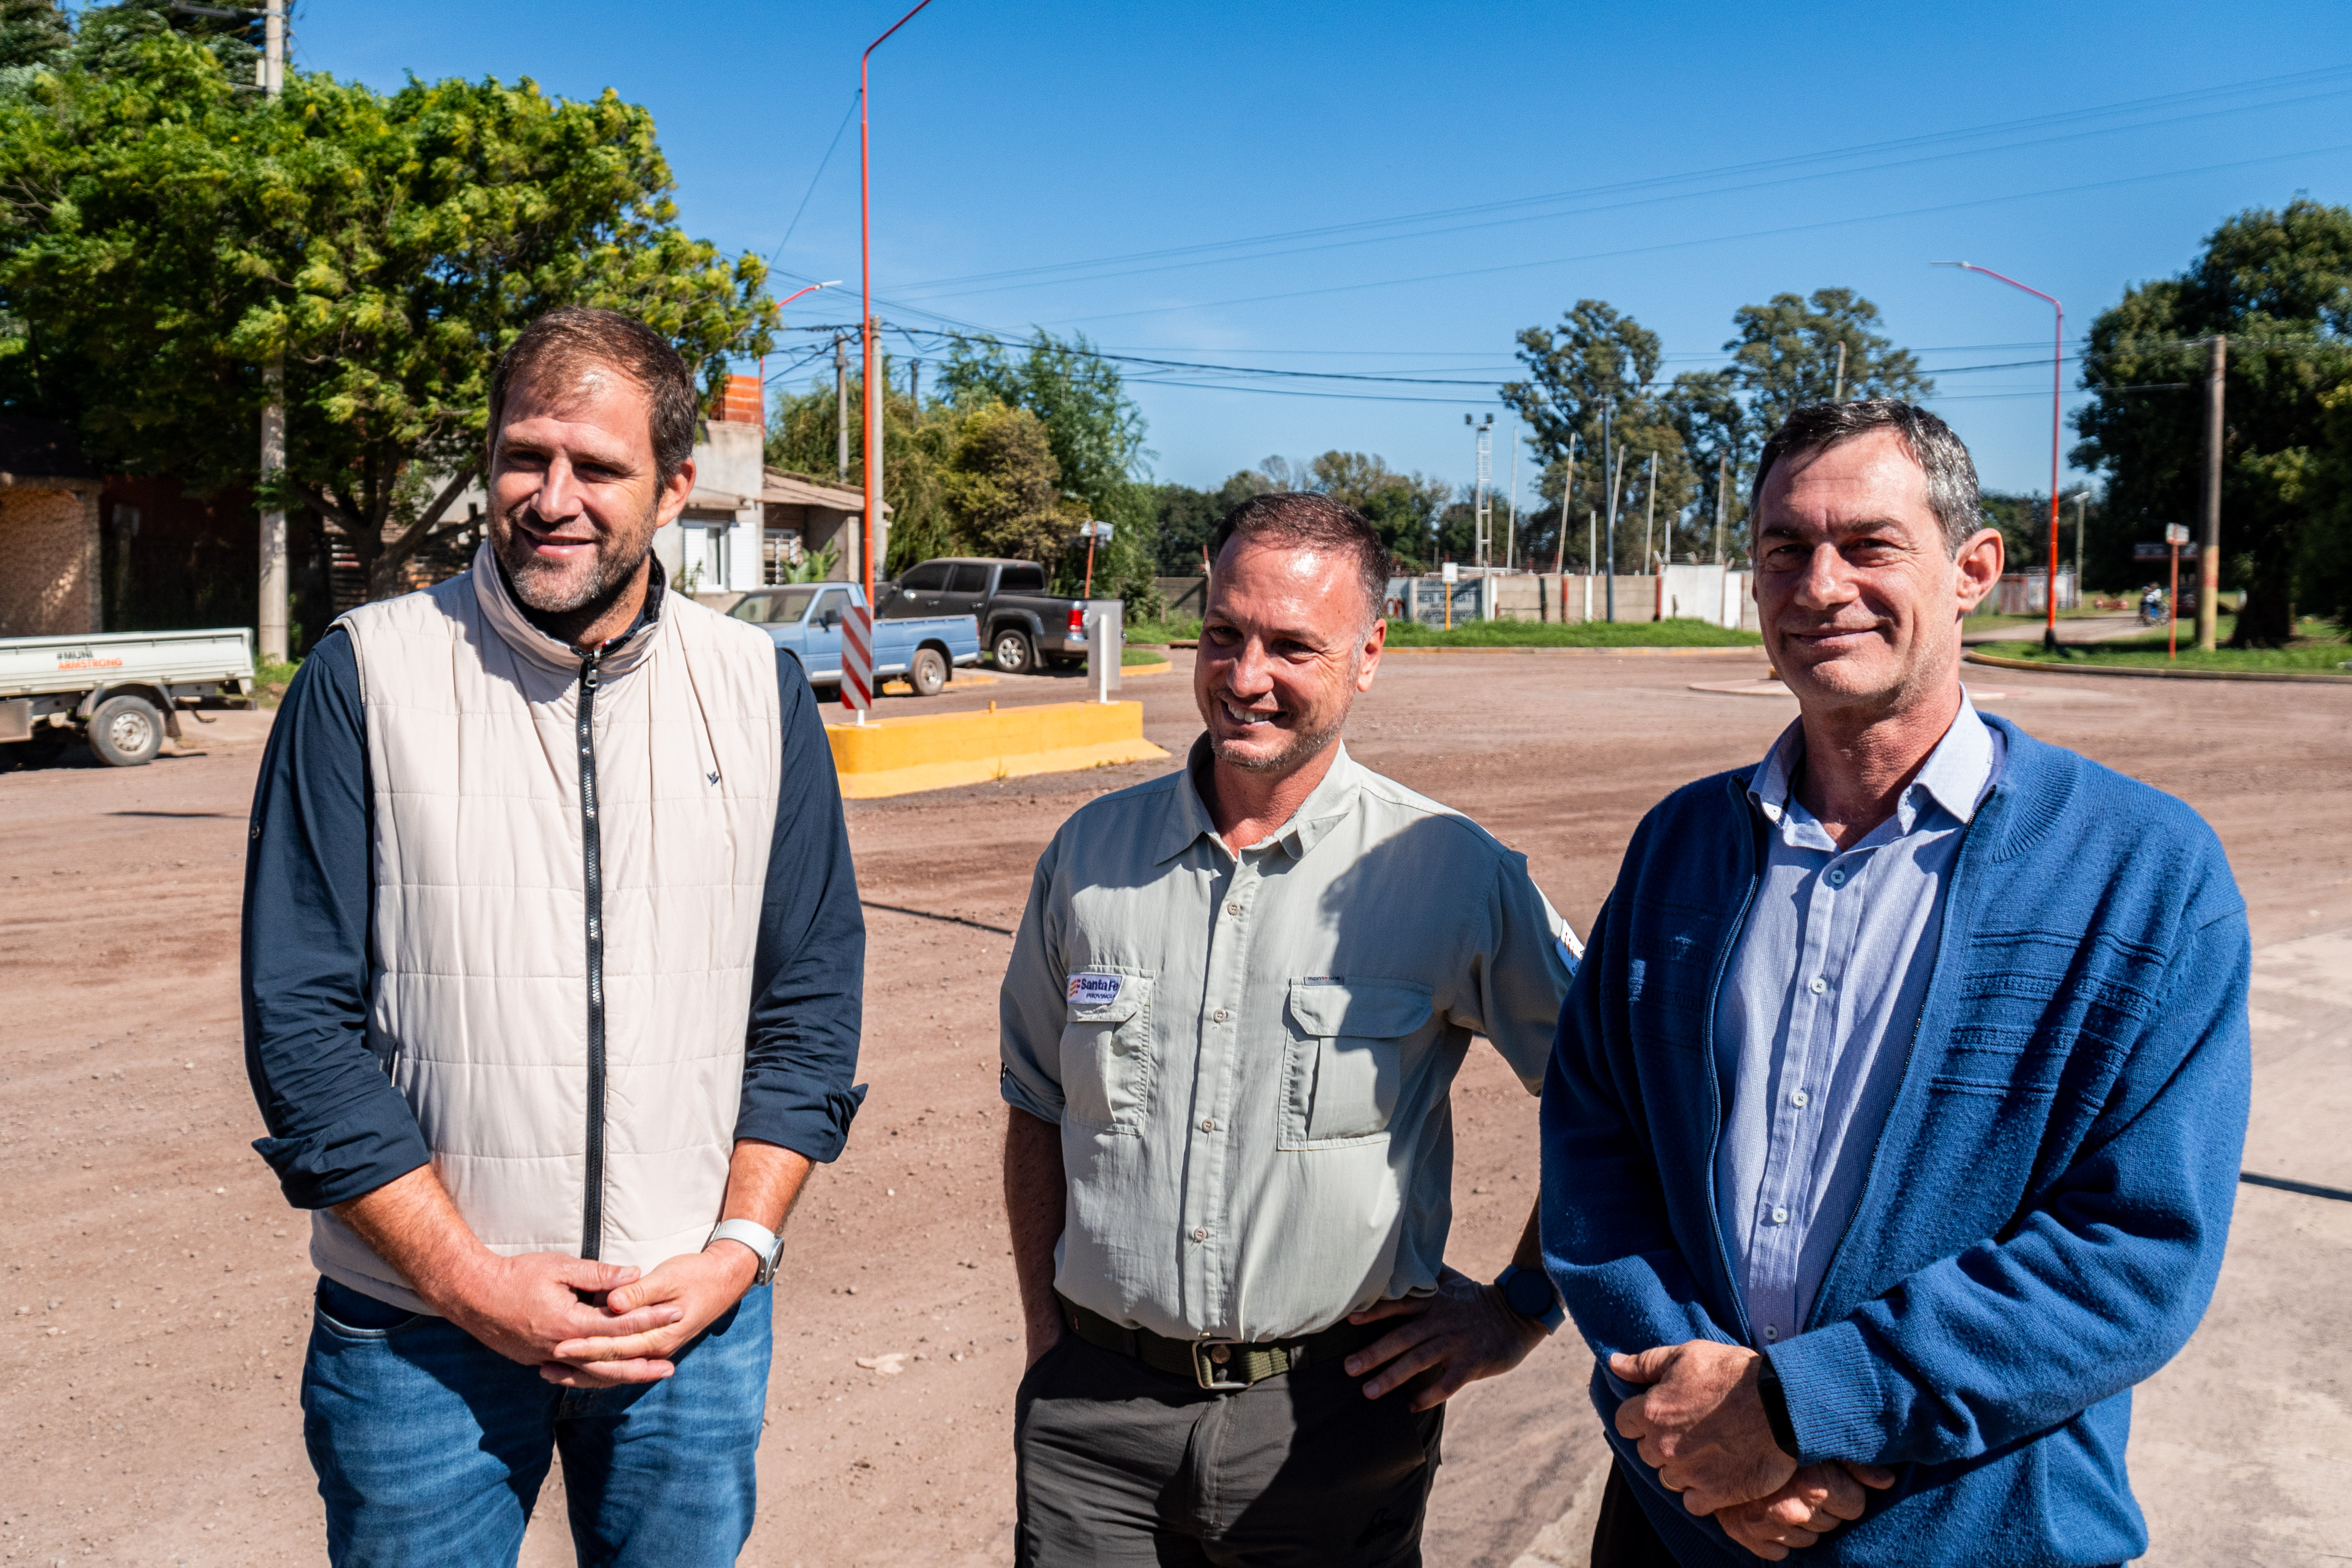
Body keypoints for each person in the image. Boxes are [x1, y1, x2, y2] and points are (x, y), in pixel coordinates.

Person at [1539, 401, 2249, 1566]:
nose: (1820, 585)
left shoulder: (2143, 873)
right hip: (1679, 1519)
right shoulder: (1681, 846)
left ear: (1972, 570)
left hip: (1975, 1530)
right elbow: (1592, 1147)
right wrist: (1700, 1431)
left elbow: (2135, 1248)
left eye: (1869, 545)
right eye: (1784, 549)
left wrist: (1802, 1406)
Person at [241, 307, 865, 1566]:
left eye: (599, 466)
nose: (551, 496)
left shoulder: (756, 692)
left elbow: (808, 1004)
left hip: (681, 1331)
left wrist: (737, 1250)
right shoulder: (365, 674)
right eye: (525, 455)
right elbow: (300, 1022)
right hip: (419, 1335)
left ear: (677, 486)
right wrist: (469, 1280)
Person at [998, 493, 1581, 1568]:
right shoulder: (1088, 858)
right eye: (1223, 633)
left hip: (1332, 1424)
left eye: (1292, 647)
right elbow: (1036, 1101)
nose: (1245, 675)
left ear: (1368, 655)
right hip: (1093, 1430)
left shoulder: (1450, 873)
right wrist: (1049, 1350)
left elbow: (1612, 1102)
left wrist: (1517, 1311)